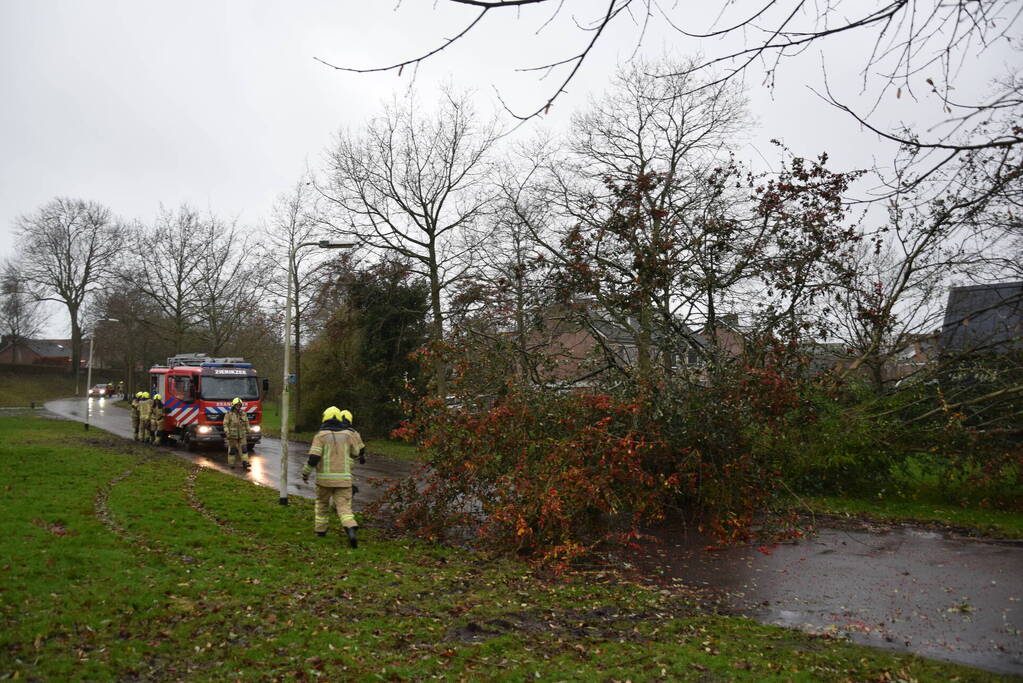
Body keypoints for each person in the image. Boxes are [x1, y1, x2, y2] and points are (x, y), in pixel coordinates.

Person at [302, 407, 366, 547]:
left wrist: (305, 473)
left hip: (324, 481)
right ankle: (350, 527)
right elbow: (356, 453)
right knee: (344, 507)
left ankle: (321, 531)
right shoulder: (348, 435)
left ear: (325, 418)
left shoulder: (321, 436)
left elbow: (313, 458)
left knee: (322, 504)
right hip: (344, 480)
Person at [222, 397, 250, 470]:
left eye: (239, 405)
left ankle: (245, 462)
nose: (238, 406)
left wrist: (248, 429)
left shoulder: (243, 413)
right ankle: (231, 464)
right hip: (232, 436)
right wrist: (227, 432)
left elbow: (246, 422)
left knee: (244, 449)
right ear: (233, 405)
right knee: (232, 450)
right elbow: (225, 424)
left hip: (242, 435)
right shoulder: (229, 414)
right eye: (237, 405)